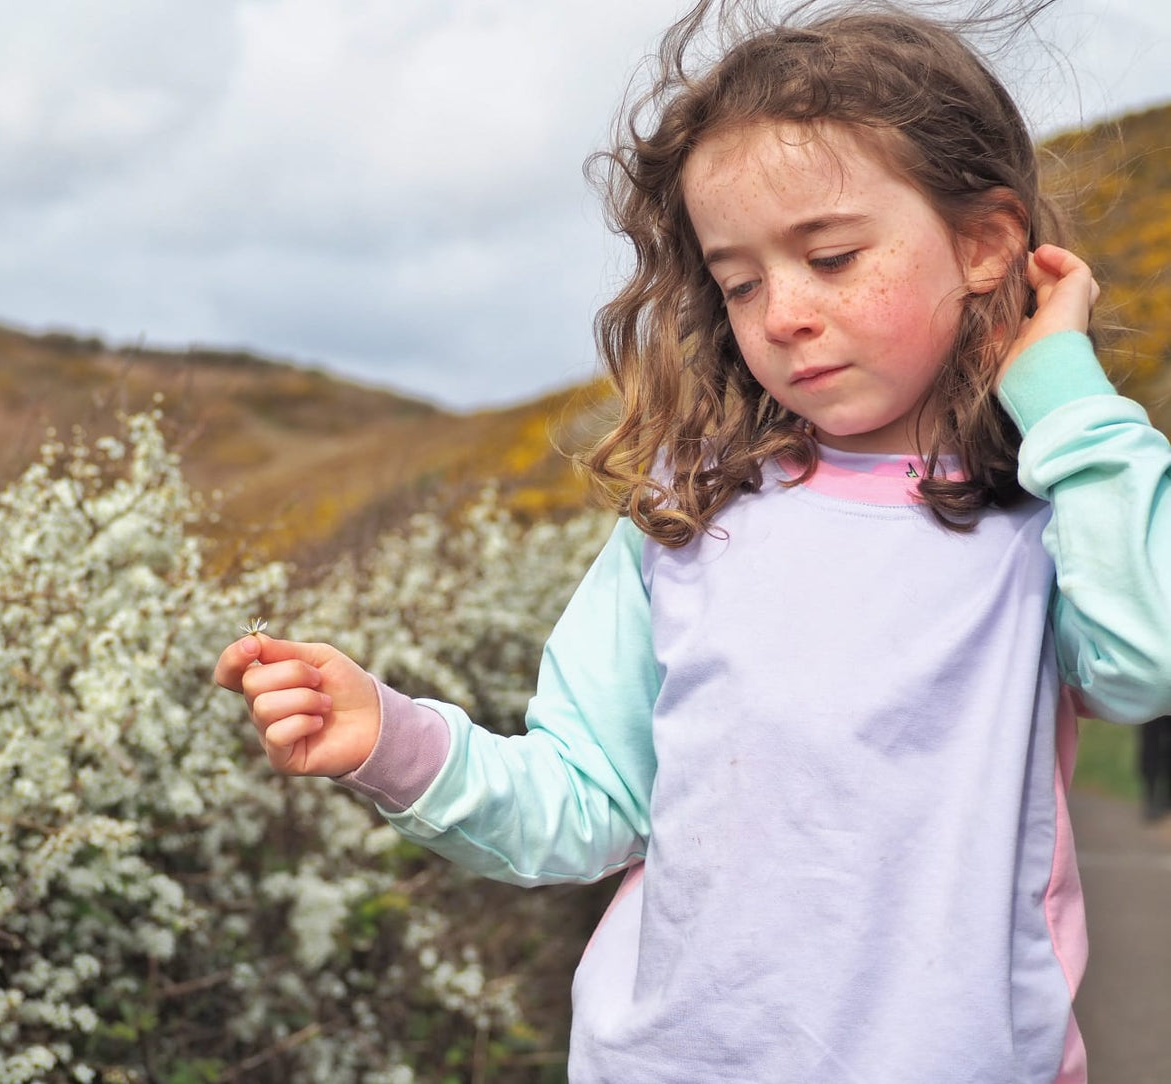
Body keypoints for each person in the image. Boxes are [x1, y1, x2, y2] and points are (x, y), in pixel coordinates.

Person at [215, 2, 1171, 1080]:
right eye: (740, 281)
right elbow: (585, 803)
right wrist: (393, 743)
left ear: (985, 242)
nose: (782, 314)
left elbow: (1149, 661)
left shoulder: (1049, 508)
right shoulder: (689, 516)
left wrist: (1058, 390)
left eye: (831, 254)